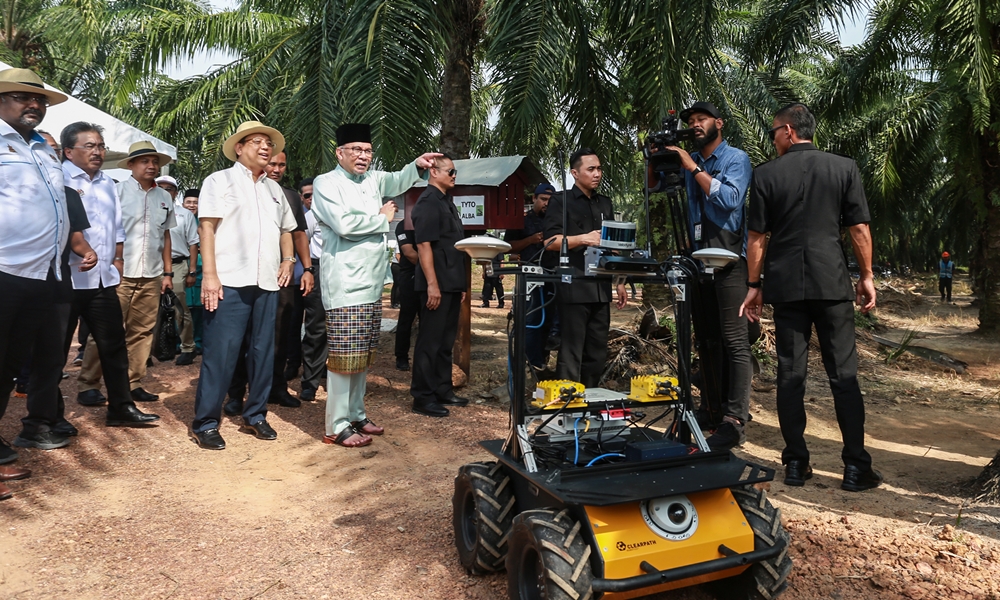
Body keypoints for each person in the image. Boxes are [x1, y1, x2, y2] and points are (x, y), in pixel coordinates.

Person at [741, 102, 882, 492]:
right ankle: (855, 467)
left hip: (786, 287)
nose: (772, 140)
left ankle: (795, 463)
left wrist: (754, 284)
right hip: (832, 282)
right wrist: (866, 276)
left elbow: (756, 238)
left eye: (773, 133)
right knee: (844, 375)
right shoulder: (843, 167)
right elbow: (859, 229)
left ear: (788, 131)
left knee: (790, 375)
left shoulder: (765, 174)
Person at [310, 122, 440, 447]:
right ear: (339, 153)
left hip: (370, 282)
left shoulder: (374, 178)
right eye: (356, 150)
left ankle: (356, 413)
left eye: (367, 150)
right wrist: (382, 218)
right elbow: (343, 225)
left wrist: (418, 166)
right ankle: (336, 425)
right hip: (343, 281)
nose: (363, 156)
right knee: (343, 355)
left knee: (363, 353)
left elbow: (398, 179)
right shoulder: (326, 183)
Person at [190, 120, 297, 450]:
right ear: (239, 147)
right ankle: (206, 422)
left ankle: (256, 415)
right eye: (258, 142)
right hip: (229, 282)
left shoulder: (274, 189)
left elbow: (286, 229)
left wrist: (288, 260)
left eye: (269, 143)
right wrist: (209, 275)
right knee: (221, 354)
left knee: (264, 352)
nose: (266, 148)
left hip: (266, 282)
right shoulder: (218, 181)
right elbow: (206, 228)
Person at [664, 101, 753, 450]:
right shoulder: (692, 163)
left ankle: (734, 419)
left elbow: (729, 199)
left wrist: (691, 167)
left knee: (734, 341)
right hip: (698, 259)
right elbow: (667, 193)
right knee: (707, 340)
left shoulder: (735, 159)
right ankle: (710, 410)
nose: (695, 124)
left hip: (730, 258)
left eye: (701, 119)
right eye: (691, 121)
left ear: (719, 123)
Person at [59, 121, 160, 427]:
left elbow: (116, 227)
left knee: (113, 344)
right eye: (89, 146)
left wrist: (116, 259)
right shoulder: (57, 178)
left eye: (100, 146)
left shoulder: (106, 183)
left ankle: (121, 407)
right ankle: (48, 416)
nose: (97, 152)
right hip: (67, 279)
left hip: (103, 278)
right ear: (68, 151)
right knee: (56, 349)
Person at [0, 67, 74, 472]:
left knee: (12, 363)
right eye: (23, 97)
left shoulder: (45, 150)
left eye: (40, 100)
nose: (34, 105)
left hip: (44, 272)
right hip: (4, 268)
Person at [78, 141, 175, 404]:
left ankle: (132, 382)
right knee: (105, 330)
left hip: (152, 274)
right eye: (144, 161)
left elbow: (165, 237)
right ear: (130, 165)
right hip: (119, 272)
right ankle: (89, 384)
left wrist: (168, 273)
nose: (151, 165)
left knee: (142, 332)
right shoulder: (116, 192)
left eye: (155, 161)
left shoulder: (165, 197)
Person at [223, 150, 314, 414]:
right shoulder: (236, 188)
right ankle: (235, 394)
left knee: (279, 337)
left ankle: (276, 388)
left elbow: (298, 235)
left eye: (282, 164)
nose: (276, 168)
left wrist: (306, 268)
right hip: (243, 276)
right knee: (240, 339)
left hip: (282, 279)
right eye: (272, 163)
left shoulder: (289, 196)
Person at [542, 148, 628, 388]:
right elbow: (549, 242)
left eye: (599, 168)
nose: (597, 174)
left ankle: (589, 399)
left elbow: (614, 246)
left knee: (597, 349)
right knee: (572, 349)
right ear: (574, 173)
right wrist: (583, 238)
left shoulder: (605, 204)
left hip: (601, 287)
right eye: (591, 169)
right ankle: (568, 403)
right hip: (574, 284)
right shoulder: (561, 201)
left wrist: (620, 281)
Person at [410, 156, 469, 417]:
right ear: (433, 171)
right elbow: (424, 246)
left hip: (451, 283)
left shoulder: (446, 201)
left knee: (446, 342)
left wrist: (460, 284)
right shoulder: (427, 202)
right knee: (430, 342)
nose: (455, 175)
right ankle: (422, 396)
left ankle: (442, 389)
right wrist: (432, 285)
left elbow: (453, 247)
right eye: (450, 171)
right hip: (436, 285)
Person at [505, 183, 558, 367]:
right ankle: (529, 361)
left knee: (550, 320)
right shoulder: (521, 220)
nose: (546, 204)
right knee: (532, 319)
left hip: (553, 275)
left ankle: (542, 361)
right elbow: (509, 247)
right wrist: (530, 240)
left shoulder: (556, 220)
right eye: (543, 199)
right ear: (534, 199)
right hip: (530, 277)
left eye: (550, 201)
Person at [157, 175, 199, 365]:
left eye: (170, 189)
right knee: (150, 309)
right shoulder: (149, 210)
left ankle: (188, 347)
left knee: (180, 308)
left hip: (177, 266)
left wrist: (191, 271)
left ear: (175, 193)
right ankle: (152, 349)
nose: (166, 191)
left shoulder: (185, 214)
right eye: (161, 187)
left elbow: (193, 244)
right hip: (152, 265)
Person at [297, 178, 327, 401]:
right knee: (316, 326)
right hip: (318, 269)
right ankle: (310, 381)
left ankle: (332, 371)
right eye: (308, 196)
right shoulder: (311, 217)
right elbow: (302, 243)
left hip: (343, 271)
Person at [393, 216, 420, 371]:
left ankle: (424, 357)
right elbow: (409, 253)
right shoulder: (403, 225)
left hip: (428, 278)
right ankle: (401, 357)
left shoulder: (428, 220)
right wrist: (430, 269)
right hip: (410, 276)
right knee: (406, 318)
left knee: (428, 320)